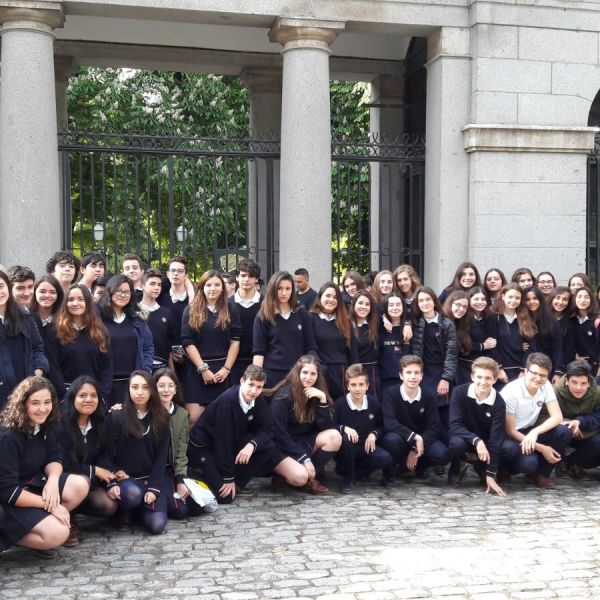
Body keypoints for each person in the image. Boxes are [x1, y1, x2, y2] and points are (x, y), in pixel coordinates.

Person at [0, 377, 89, 556]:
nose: (43, 409)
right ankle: (11, 535)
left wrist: (53, 481)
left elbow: (54, 456)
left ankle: (37, 523)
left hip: (32, 485)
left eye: (47, 402)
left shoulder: (44, 425)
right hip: (8, 499)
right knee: (59, 533)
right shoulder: (9, 437)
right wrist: (51, 505)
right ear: (22, 404)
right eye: (35, 403)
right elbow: (7, 491)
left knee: (80, 485)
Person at [187, 365, 277, 503]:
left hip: (229, 441)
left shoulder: (258, 399)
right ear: (242, 381)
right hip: (204, 446)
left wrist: (252, 444)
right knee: (225, 497)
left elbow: (268, 429)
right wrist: (227, 476)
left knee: (268, 447)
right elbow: (222, 442)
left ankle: (237, 484)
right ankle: (193, 475)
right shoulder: (227, 402)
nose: (254, 391)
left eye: (259, 387)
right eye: (251, 384)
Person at [99, 371, 170, 534]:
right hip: (125, 481)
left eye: (145, 387)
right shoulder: (116, 416)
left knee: (157, 525)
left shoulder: (162, 417)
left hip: (149, 480)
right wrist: (111, 481)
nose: (139, 392)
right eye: (135, 387)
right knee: (132, 494)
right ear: (128, 389)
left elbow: (162, 457)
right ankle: (124, 510)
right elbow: (105, 453)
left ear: (152, 390)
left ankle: (137, 511)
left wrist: (153, 488)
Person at [268, 355, 342, 494]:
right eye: (305, 372)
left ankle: (310, 478)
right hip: (282, 446)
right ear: (298, 373)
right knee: (300, 478)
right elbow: (279, 434)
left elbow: (326, 428)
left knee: (334, 437)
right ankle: (286, 475)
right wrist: (304, 458)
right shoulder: (283, 396)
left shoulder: (317, 394)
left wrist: (322, 401)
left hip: (303, 441)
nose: (308, 377)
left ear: (318, 376)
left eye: (313, 374)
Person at [56, 376, 118, 535]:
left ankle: (73, 510)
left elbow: (105, 455)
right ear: (72, 398)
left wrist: (111, 482)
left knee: (108, 505)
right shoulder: (59, 424)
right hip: (61, 482)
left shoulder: (101, 422)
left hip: (89, 482)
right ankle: (65, 520)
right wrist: (94, 470)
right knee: (80, 481)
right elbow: (61, 463)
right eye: (82, 395)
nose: (89, 400)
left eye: (93, 395)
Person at [501, 352, 572, 489]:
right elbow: (510, 430)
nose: (538, 378)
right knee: (528, 464)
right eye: (534, 373)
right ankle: (504, 468)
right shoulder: (511, 392)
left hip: (530, 430)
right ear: (526, 371)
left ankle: (540, 475)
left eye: (543, 375)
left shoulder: (546, 386)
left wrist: (535, 432)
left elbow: (557, 417)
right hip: (511, 435)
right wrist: (542, 448)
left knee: (564, 431)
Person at [448, 357, 516, 495]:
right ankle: (456, 468)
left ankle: (482, 467)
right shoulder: (459, 392)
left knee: (509, 448)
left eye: (488, 378)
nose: (483, 382)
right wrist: (476, 440)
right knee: (456, 444)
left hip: (487, 442)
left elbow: (496, 438)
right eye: (479, 377)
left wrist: (491, 473)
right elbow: (454, 425)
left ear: (495, 379)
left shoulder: (499, 402)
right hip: (465, 438)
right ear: (472, 376)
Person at [181, 270, 241, 425]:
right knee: (193, 419)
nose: (213, 288)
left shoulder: (231, 309)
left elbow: (235, 340)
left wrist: (226, 369)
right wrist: (203, 369)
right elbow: (188, 342)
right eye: (208, 285)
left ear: (222, 288)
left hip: (223, 370)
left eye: (217, 285)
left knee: (221, 420)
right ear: (201, 287)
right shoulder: (191, 310)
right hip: (197, 369)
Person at [381, 355, 449, 480]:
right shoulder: (390, 394)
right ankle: (392, 469)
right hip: (401, 438)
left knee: (442, 454)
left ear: (422, 376)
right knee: (391, 440)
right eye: (408, 372)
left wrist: (415, 448)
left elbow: (433, 427)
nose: (413, 376)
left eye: (417, 373)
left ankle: (415, 466)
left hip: (422, 441)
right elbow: (390, 423)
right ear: (401, 375)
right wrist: (414, 437)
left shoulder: (428, 396)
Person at [45, 284, 112, 401]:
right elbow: (53, 368)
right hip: (66, 394)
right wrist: (64, 396)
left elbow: (107, 366)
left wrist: (101, 395)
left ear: (88, 302)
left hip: (93, 396)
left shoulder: (100, 332)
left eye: (80, 299)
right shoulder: (55, 332)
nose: (75, 303)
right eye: (71, 299)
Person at [334, 364, 393, 493]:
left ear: (367, 386)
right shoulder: (339, 404)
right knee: (346, 439)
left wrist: (374, 433)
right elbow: (330, 426)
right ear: (347, 386)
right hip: (345, 450)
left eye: (361, 384)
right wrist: (343, 428)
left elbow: (382, 426)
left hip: (365, 448)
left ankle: (358, 473)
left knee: (385, 457)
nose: (357, 389)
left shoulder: (373, 403)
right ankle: (347, 479)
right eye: (353, 385)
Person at [253, 271, 316, 388]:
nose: (284, 293)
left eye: (288, 288)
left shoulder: (302, 314)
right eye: (279, 288)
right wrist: (257, 380)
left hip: (298, 374)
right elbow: (259, 352)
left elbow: (310, 347)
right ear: (272, 289)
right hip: (272, 375)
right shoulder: (263, 316)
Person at [98, 274, 154, 407]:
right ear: (110, 291)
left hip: (132, 383)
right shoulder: (97, 318)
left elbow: (148, 347)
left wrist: (145, 370)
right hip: (104, 382)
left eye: (127, 292)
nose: (122, 295)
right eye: (119, 291)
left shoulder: (137, 319)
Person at [411, 286, 457, 434]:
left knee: (443, 411)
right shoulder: (415, 323)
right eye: (421, 301)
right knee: (425, 409)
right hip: (423, 373)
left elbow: (451, 353)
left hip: (440, 372)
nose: (424, 303)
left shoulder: (447, 324)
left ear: (434, 301)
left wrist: (446, 378)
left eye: (427, 299)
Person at [0, 271, 49, 408]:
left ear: (8, 287)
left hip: (26, 390)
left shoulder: (24, 317)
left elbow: (38, 347)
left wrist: (37, 372)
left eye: (1, 286)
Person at [310, 282, 359, 399]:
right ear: (320, 297)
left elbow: (352, 352)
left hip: (341, 374)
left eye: (335, 297)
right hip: (319, 372)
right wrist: (319, 367)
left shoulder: (345, 321)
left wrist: (355, 375)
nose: (331, 300)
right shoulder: (310, 319)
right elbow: (309, 347)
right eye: (328, 296)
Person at [554, 360, 600, 478]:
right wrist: (570, 423)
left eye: (583, 383)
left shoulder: (597, 393)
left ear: (589, 383)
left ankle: (571, 463)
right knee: (562, 432)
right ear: (566, 381)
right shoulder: (555, 392)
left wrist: (580, 422)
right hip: (561, 431)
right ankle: (557, 462)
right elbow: (546, 415)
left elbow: (598, 415)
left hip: (585, 432)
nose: (578, 388)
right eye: (574, 382)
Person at [154, 368, 190, 519]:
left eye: (170, 385)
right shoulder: (148, 411)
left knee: (185, 509)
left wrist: (181, 480)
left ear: (176, 389)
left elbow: (181, 451)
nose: (166, 390)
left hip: (170, 470)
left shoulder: (182, 414)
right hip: (152, 470)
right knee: (174, 509)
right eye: (161, 386)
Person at [488, 283, 535, 383]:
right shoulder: (494, 317)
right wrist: (499, 368)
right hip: (501, 371)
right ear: (503, 296)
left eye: (517, 298)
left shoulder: (525, 317)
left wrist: (523, 369)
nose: (513, 300)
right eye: (510, 297)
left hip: (520, 371)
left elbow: (530, 346)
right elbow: (492, 346)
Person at [138, 269, 176, 372]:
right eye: (152, 284)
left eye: (159, 285)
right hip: (139, 366)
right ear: (141, 286)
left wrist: (172, 371)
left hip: (161, 367)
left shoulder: (166, 313)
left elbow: (168, 346)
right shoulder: (134, 312)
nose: (157, 288)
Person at [232, 259, 263, 383]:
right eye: (243, 275)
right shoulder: (226, 304)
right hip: (232, 363)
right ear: (237, 277)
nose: (246, 279)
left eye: (250, 276)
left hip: (260, 361)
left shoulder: (266, 304)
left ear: (256, 279)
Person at [524, 286, 564, 382]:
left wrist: (558, 372)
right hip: (526, 369)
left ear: (540, 300)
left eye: (535, 298)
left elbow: (557, 348)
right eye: (527, 299)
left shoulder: (552, 321)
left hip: (546, 368)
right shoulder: (520, 320)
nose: (531, 302)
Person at [349, 290, 380, 398]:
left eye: (367, 304)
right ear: (354, 304)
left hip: (373, 372)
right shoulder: (347, 324)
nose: (364, 307)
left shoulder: (375, 323)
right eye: (360, 303)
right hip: (353, 371)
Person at [378, 293, 411, 392]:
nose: (395, 308)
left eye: (398, 304)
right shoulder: (379, 328)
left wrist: (408, 324)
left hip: (409, 380)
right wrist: (384, 317)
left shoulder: (411, 328)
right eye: (391, 305)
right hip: (386, 381)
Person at [570, 286, 600, 375]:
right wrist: (574, 356)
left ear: (591, 300)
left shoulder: (596, 320)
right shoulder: (570, 319)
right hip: (575, 366)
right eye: (579, 297)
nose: (582, 300)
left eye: (586, 297)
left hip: (594, 367)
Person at [29, 274, 64, 341]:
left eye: (52, 292)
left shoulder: (63, 319)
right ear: (34, 292)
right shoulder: (26, 317)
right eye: (42, 291)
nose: (47, 295)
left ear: (58, 295)